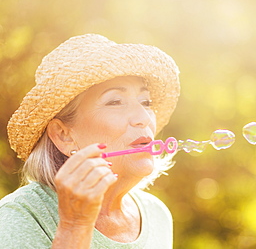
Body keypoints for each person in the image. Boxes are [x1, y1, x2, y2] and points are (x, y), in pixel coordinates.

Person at [0, 33, 180, 248]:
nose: (143, 118)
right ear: (63, 135)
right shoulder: (19, 217)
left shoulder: (156, 214)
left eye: (145, 101)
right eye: (115, 101)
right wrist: (74, 225)